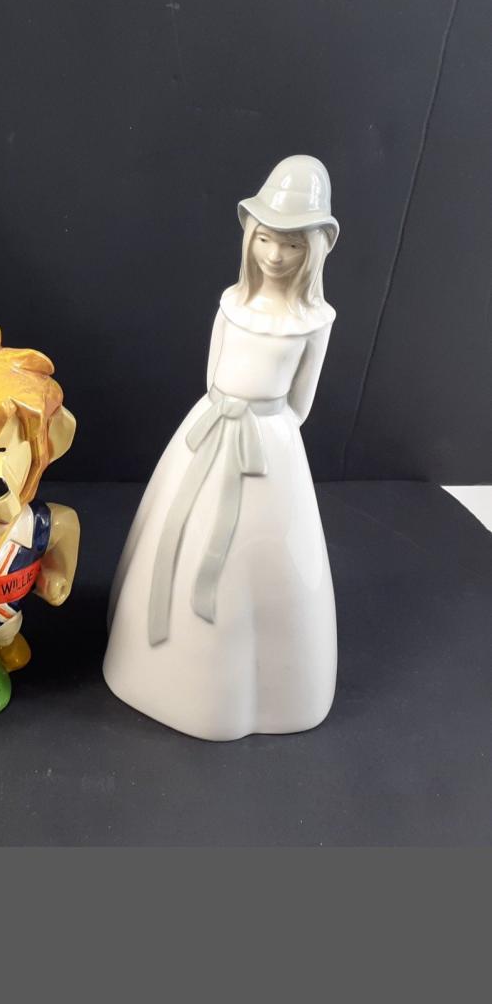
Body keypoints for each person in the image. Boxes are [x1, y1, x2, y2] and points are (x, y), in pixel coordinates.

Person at [103, 156, 340, 740]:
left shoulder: (316, 321)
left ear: (314, 248)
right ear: (249, 237)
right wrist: (225, 415)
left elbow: (301, 403)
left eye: (291, 244)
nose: (275, 255)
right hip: (207, 430)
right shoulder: (232, 304)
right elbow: (213, 375)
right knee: (176, 533)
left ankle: (254, 683)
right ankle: (154, 667)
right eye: (265, 239)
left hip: (268, 446)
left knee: (251, 563)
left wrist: (267, 439)